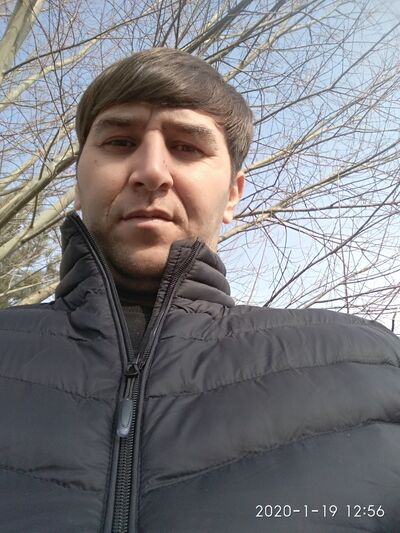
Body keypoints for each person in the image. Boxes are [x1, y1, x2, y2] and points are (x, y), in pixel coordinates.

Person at [1, 48, 399, 533]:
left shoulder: (371, 363)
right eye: (120, 142)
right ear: (79, 186)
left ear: (233, 194)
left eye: (187, 147)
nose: (152, 171)